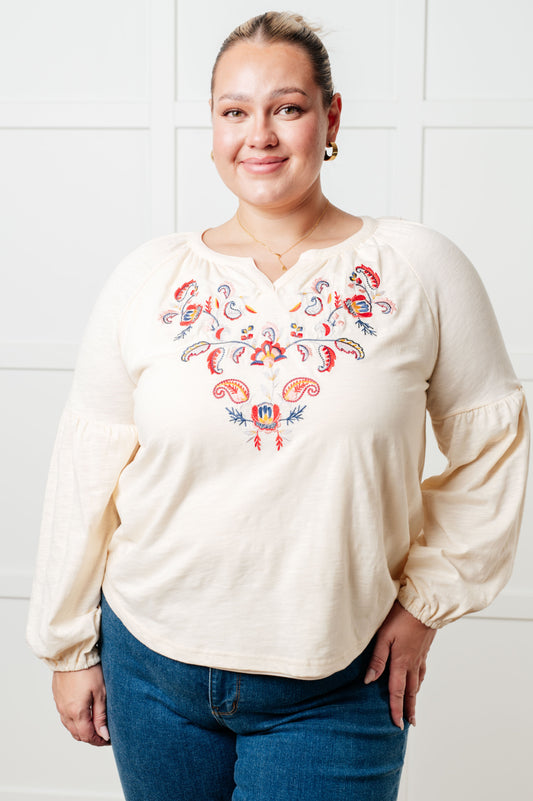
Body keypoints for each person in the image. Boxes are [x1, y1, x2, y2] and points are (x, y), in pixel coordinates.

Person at [27, 11, 529, 801]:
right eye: (235, 110)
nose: (258, 134)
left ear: (331, 117)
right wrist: (66, 648)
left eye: (286, 107)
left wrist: (426, 602)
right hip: (150, 666)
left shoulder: (417, 268)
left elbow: (492, 446)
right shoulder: (145, 279)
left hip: (336, 676)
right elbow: (85, 467)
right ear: (213, 125)